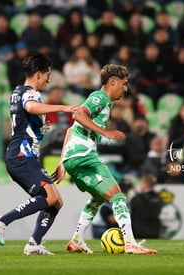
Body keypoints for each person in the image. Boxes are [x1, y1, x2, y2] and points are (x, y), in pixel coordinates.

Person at [52, 64, 157, 254]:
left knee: (98, 198)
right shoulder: (99, 97)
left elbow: (70, 129)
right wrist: (105, 132)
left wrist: (62, 161)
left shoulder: (106, 103)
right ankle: (130, 243)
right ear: (113, 82)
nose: (125, 88)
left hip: (74, 157)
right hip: (84, 156)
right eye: (123, 84)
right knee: (118, 197)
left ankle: (76, 240)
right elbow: (78, 114)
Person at [0, 53, 77, 255]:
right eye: (47, 75)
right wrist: (64, 107)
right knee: (50, 197)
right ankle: (1, 221)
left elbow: (28, 123)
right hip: (22, 155)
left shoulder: (17, 92)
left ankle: (34, 244)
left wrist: (46, 129)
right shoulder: (31, 93)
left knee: (56, 201)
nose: (49, 79)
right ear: (38, 74)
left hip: (24, 155)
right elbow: (30, 107)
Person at [130, 175, 163, 239]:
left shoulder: (136, 198)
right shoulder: (159, 197)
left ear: (144, 184)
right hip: (154, 231)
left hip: (139, 231)